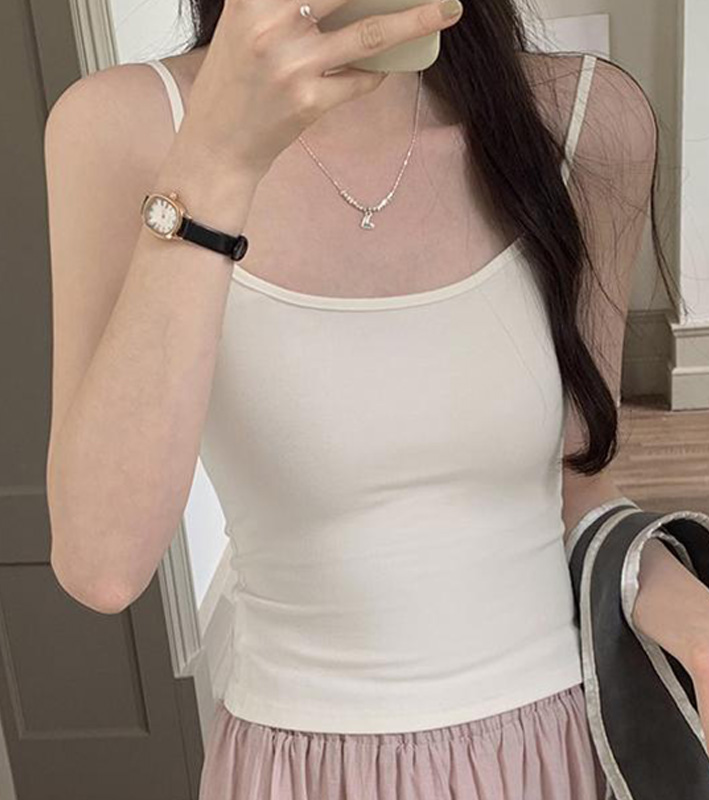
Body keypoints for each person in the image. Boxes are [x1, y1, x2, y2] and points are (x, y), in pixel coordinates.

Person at [43, 0, 668, 797]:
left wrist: (703, 622)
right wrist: (217, 160)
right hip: (300, 768)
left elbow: (580, 491)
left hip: (551, 755)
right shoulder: (122, 127)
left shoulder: (587, 121)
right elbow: (102, 565)